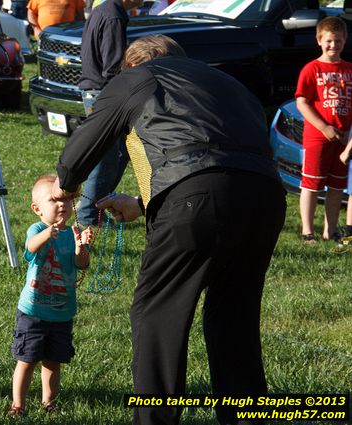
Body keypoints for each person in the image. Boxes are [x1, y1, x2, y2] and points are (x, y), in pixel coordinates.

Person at [52, 35, 286, 425]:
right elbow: (219, 157)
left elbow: (79, 152)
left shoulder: (138, 78)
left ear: (133, 65)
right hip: (265, 197)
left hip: (197, 198)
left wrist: (67, 186)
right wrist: (146, 204)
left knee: (157, 313)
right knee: (234, 318)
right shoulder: (228, 84)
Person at [8, 174, 93, 418]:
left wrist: (80, 247)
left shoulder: (73, 232)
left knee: (53, 361)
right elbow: (31, 247)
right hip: (33, 312)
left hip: (62, 312)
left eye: (65, 199)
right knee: (27, 359)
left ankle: (49, 402)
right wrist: (48, 233)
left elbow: (82, 264)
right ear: (37, 209)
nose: (61, 204)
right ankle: (18, 405)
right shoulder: (37, 229)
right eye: (53, 200)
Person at [75, 0, 143, 225]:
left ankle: (96, 207)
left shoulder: (103, 9)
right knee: (106, 158)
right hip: (103, 91)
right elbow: (112, 66)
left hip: (95, 89)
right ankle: (88, 213)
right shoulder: (113, 14)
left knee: (115, 155)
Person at [295, 16, 352, 244]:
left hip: (343, 139)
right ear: (319, 40)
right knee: (311, 184)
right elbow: (302, 102)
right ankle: (308, 232)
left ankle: (331, 230)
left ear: (345, 40)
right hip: (317, 137)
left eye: (338, 41)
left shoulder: (349, 69)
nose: (333, 45)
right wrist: (324, 127)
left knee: (337, 186)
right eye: (328, 41)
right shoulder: (312, 69)